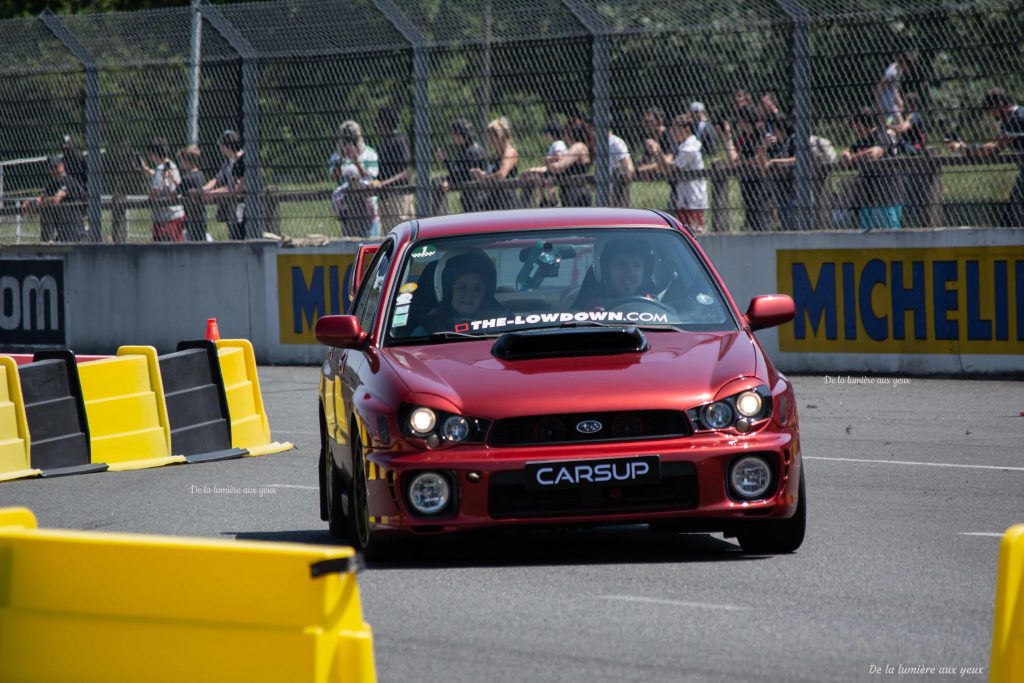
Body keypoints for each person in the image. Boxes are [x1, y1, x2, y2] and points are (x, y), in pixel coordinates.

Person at [947, 87, 1024, 227]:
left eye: (990, 108)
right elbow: (993, 144)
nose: (989, 113)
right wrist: (967, 147)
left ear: (999, 104)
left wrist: (963, 150)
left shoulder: (1017, 118)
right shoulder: (1012, 118)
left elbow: (993, 149)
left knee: (1014, 215)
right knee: (1012, 214)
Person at [842, 107, 903, 230]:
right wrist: (845, 153)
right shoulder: (860, 141)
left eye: (855, 124)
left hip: (886, 197)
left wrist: (853, 158)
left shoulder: (882, 135)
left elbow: (874, 153)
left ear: (863, 123)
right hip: (868, 199)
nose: (854, 128)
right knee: (866, 241)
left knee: (888, 237)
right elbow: (847, 152)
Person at [420, 249, 504, 332]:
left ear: (485, 294)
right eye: (462, 287)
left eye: (477, 289)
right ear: (448, 290)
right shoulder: (427, 328)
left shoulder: (503, 324)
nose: (469, 294)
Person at [652, 113, 707, 232]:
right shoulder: (683, 146)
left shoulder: (691, 148)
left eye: (676, 129)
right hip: (684, 196)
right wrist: (657, 153)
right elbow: (666, 170)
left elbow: (671, 168)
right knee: (684, 231)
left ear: (686, 129)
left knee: (694, 232)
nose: (673, 132)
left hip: (693, 197)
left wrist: (658, 151)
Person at [572, 238, 659, 310]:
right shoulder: (587, 308)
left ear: (645, 272)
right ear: (606, 271)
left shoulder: (656, 306)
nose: (630, 272)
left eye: (637, 265)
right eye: (621, 265)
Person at [723, 106, 771, 231]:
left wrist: (745, 161)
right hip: (747, 184)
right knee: (752, 221)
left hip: (760, 184)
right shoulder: (745, 138)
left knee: (761, 221)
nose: (738, 123)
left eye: (740, 120)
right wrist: (728, 137)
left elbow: (761, 161)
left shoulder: (759, 135)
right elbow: (734, 161)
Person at [329, 120, 380, 237]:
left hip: (367, 206)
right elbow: (334, 177)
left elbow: (371, 176)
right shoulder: (337, 155)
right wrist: (341, 159)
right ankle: (340, 213)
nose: (350, 141)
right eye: (346, 138)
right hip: (348, 206)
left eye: (353, 138)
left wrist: (356, 161)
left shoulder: (369, 153)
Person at [22, 155, 85, 242]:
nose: (54, 170)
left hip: (73, 227)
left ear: (62, 166)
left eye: (56, 167)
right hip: (61, 228)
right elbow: (41, 197)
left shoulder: (67, 179)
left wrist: (40, 203)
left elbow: (56, 199)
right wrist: (32, 202)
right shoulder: (52, 183)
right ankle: (47, 240)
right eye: (51, 167)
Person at [433, 118, 487, 214]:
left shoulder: (472, 151)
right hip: (470, 198)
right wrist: (445, 161)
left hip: (476, 199)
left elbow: (461, 175)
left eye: (454, 134)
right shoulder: (465, 149)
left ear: (460, 134)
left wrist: (445, 162)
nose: (453, 136)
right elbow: (457, 172)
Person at [372, 107, 413, 231]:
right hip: (386, 197)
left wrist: (384, 183)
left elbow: (406, 173)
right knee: (389, 236)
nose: (376, 125)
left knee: (401, 234)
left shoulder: (400, 140)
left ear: (385, 123)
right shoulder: (384, 143)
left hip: (398, 197)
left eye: (378, 122)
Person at [137, 137, 185, 242]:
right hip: (177, 215)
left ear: (154, 154)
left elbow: (155, 193)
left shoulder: (160, 169)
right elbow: (161, 178)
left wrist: (149, 195)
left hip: (166, 219)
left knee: (163, 250)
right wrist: (147, 170)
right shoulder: (172, 165)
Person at [469, 116, 520, 211]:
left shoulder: (510, 152)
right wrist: (481, 174)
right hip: (493, 201)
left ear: (501, 137)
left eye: (492, 139)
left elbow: (501, 175)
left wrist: (484, 178)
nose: (490, 142)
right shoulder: (495, 155)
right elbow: (492, 174)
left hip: (506, 202)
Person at [203, 129, 246, 240]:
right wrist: (203, 190)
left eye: (222, 146)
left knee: (240, 234)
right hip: (232, 205)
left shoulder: (242, 160)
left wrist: (214, 193)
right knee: (233, 234)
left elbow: (236, 188)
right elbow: (217, 179)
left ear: (227, 146)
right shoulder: (228, 161)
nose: (221, 148)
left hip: (243, 205)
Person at [546, 120, 592, 207]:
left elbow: (559, 167)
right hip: (569, 193)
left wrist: (548, 161)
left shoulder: (578, 146)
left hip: (577, 195)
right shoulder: (571, 148)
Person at [764, 115, 798, 230]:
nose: (773, 133)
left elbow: (797, 158)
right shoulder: (777, 145)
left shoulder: (793, 140)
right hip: (781, 193)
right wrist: (765, 146)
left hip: (794, 191)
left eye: (775, 130)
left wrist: (775, 161)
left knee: (795, 225)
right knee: (785, 226)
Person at [522, 122, 566, 207]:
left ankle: (554, 201)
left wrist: (548, 158)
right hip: (551, 170)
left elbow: (559, 157)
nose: (545, 135)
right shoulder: (554, 145)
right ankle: (543, 201)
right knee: (538, 177)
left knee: (546, 179)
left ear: (551, 133)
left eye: (546, 133)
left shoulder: (558, 143)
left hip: (557, 170)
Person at [176, 145, 207, 242]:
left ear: (186, 161)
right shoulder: (200, 175)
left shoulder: (187, 177)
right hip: (201, 215)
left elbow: (177, 191)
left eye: (182, 161)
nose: (181, 164)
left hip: (191, 216)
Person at [877, 51, 916, 125]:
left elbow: (895, 88)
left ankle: (888, 128)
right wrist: (878, 103)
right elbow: (880, 86)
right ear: (904, 63)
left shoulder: (899, 70)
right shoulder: (893, 73)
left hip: (891, 103)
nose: (907, 68)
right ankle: (892, 130)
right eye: (908, 65)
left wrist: (899, 101)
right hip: (886, 103)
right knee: (899, 122)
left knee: (889, 122)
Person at [607, 128, 635, 208]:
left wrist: (629, 173)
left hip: (616, 187)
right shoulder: (602, 142)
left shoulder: (615, 142)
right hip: (607, 187)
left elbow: (626, 161)